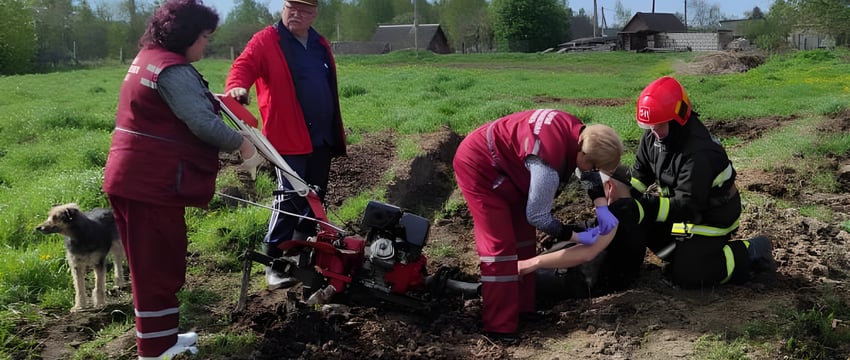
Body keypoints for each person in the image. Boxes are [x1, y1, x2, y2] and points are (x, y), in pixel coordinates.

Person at [102, 0, 261, 358]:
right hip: (149, 184)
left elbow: (186, 107)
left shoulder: (150, 57)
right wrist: (244, 144)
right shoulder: (172, 70)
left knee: (159, 261)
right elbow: (202, 124)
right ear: (186, 34)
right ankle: (155, 350)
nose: (206, 44)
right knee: (157, 266)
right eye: (204, 37)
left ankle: (164, 338)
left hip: (136, 178)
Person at [452, 109, 623, 343]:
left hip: (510, 168)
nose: (593, 173)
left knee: (523, 240)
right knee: (499, 248)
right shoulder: (547, 163)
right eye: (594, 167)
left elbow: (586, 171)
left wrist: (601, 206)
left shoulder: (581, 133)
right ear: (583, 153)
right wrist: (577, 237)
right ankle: (498, 327)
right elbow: (538, 216)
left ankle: (523, 310)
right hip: (480, 165)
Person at [224, 0, 347, 289]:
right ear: (283, 7)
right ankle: (273, 262)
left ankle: (300, 251)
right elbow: (243, 66)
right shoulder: (267, 40)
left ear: (314, 14)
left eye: (305, 10)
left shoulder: (319, 43)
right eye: (292, 7)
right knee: (290, 196)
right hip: (287, 137)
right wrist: (237, 87)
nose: (297, 14)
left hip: (322, 137)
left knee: (316, 196)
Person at [629, 76, 774, 289]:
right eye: (649, 125)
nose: (653, 131)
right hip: (683, 218)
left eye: (659, 125)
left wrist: (644, 207)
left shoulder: (699, 152)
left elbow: (687, 205)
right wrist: (621, 201)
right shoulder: (653, 138)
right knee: (648, 231)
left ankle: (750, 250)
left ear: (677, 119)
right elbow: (638, 178)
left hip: (711, 220)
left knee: (690, 274)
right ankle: (686, 254)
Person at [519, 165, 647, 299]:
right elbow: (589, 227)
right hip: (617, 278)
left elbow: (587, 253)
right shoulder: (633, 208)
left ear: (610, 187)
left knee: (525, 280)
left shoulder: (618, 212)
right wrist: (560, 232)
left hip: (588, 281)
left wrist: (532, 263)